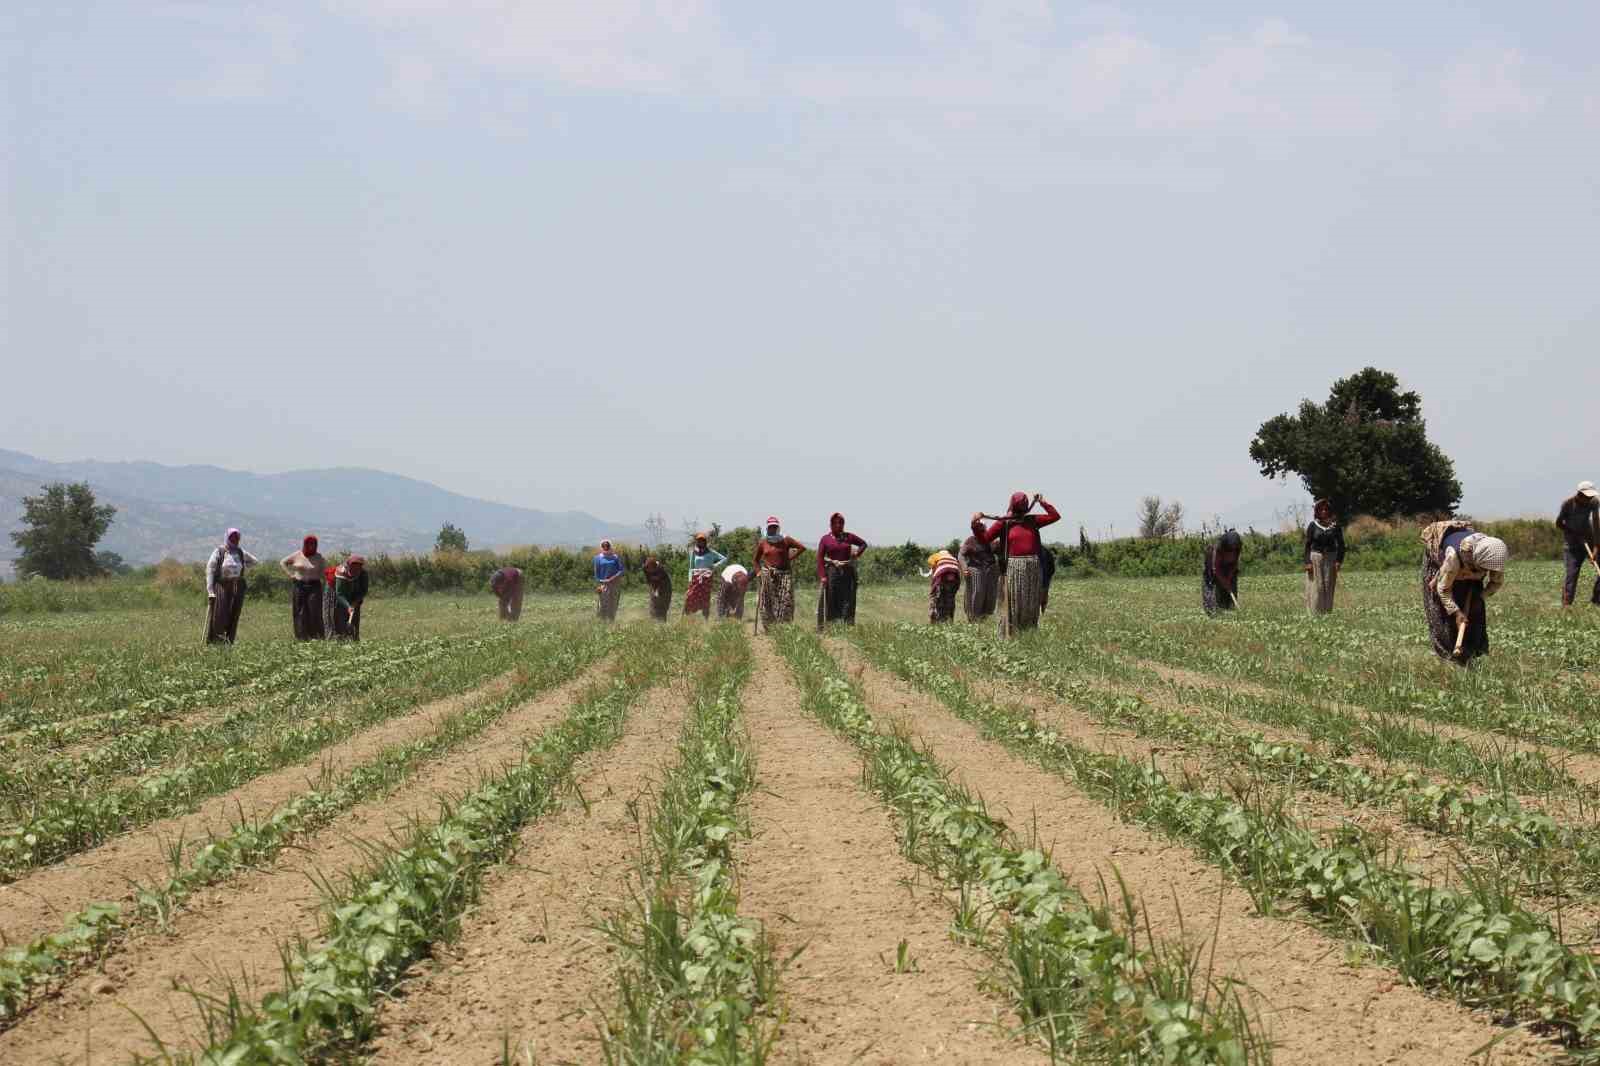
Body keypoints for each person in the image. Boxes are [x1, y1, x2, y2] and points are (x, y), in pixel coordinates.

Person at [970, 492, 1060, 638]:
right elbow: (985, 539)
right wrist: (975, 524)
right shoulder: (1004, 522)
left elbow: (1055, 516)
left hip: (1033, 568)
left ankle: (1028, 633)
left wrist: (1042, 501)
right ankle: (1009, 634)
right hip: (1013, 568)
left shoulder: (1032, 520)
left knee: (1030, 603)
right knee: (1013, 603)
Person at [1421, 520, 1508, 664]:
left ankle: (1473, 652)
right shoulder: (1453, 558)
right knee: (1442, 611)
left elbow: (1496, 582)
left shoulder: (1492, 555)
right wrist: (1456, 612)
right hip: (1443, 564)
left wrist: (1479, 598)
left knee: (1476, 612)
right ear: (1475, 560)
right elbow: (1443, 589)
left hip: (1469, 565)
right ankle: (1447, 655)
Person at [204, 528, 259, 645]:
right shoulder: (219, 551)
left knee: (234, 615)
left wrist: (244, 565)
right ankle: (215, 642)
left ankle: (228, 642)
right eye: (232, 537)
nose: (234, 539)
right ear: (227, 537)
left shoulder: (240, 552)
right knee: (219, 615)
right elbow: (210, 570)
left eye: (236, 537)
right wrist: (210, 591)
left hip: (237, 587)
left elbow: (255, 561)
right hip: (222, 587)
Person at [752, 516, 807, 627]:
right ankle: (769, 627)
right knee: (766, 601)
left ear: (778, 528)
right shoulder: (763, 542)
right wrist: (758, 573)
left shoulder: (785, 540)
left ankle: (784, 626)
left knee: (785, 600)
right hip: (768, 575)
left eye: (775, 527)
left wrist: (790, 558)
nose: (772, 529)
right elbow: (755, 560)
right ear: (767, 528)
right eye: (770, 527)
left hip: (784, 574)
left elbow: (801, 548)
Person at [817, 513, 868, 626]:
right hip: (832, 572)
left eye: (841, 523)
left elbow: (863, 544)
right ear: (831, 524)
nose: (838, 525)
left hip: (847, 572)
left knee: (847, 599)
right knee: (831, 598)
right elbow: (820, 558)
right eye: (835, 523)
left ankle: (847, 625)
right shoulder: (825, 539)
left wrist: (856, 553)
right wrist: (823, 576)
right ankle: (831, 624)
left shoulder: (848, 537)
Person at [1556, 481, 1600, 607]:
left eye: (1591, 496)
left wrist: (1596, 547)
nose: (1590, 498)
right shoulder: (1568, 504)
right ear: (1579, 494)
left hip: (1589, 539)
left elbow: (1596, 524)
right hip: (1572, 544)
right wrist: (1573, 532)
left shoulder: (1594, 502)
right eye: (1587, 496)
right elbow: (1559, 523)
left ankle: (1597, 600)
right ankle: (1566, 605)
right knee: (1572, 574)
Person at [281, 535, 328, 640]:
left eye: (313, 544)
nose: (311, 546)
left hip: (314, 586)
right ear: (305, 544)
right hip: (299, 585)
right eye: (309, 543)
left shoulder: (319, 557)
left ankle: (317, 636)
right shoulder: (297, 555)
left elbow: (324, 572)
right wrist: (290, 575)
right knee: (300, 611)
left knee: (314, 611)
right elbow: (283, 562)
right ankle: (301, 637)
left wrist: (326, 583)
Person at [1304, 499, 1346, 615]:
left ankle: (1327, 612)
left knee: (1328, 585)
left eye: (1326, 509)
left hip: (1330, 558)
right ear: (1317, 511)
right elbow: (1307, 545)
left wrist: (1338, 561)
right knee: (1316, 586)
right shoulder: (1313, 526)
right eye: (1321, 509)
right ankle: (1315, 612)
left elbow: (1341, 545)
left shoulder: (1335, 526)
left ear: (1330, 511)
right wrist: (1307, 562)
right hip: (1315, 558)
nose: (1324, 511)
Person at [684, 532, 726, 618]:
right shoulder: (694, 552)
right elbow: (691, 568)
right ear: (697, 542)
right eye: (699, 541)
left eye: (702, 541)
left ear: (705, 542)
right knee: (691, 595)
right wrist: (689, 580)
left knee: (705, 597)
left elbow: (723, 558)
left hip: (707, 577)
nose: (701, 542)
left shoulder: (711, 552)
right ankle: (688, 613)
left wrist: (714, 565)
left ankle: (705, 616)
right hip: (696, 577)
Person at [1202, 530, 1243, 616]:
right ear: (1225, 546)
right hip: (1213, 570)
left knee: (1229, 588)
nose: (1233, 549)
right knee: (1211, 586)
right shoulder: (1215, 551)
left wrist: (1228, 579)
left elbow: (1234, 565)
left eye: (1235, 548)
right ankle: (1211, 610)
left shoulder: (1237, 550)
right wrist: (1224, 581)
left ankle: (1228, 607)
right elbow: (1216, 569)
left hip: (1228, 569)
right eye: (1231, 548)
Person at [960, 533, 998, 621]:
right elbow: (961, 555)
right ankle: (973, 618)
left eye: (983, 529)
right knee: (977, 593)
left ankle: (984, 618)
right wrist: (964, 568)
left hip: (990, 571)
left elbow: (1000, 552)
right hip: (975, 570)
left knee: (990, 595)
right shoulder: (971, 540)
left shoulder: (990, 540)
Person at [333, 555, 368, 640]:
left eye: (358, 569)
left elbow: (363, 591)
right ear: (348, 566)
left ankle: (354, 639)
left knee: (354, 620)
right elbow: (339, 593)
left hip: (354, 597)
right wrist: (348, 606)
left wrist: (355, 602)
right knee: (340, 619)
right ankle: (340, 639)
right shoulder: (341, 572)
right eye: (353, 568)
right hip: (341, 598)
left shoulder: (363, 574)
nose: (355, 571)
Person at [925, 550, 962, 623]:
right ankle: (949, 620)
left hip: (941, 578)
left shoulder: (936, 556)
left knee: (936, 599)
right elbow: (958, 572)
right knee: (950, 600)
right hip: (954, 580)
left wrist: (933, 588)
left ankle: (935, 620)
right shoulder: (953, 558)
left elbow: (933, 568)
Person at [593, 540, 625, 622]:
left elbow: (621, 570)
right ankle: (602, 621)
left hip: (615, 583)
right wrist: (600, 582)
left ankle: (611, 621)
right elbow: (596, 574)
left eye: (607, 546)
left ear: (610, 546)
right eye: (604, 546)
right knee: (602, 603)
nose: (606, 547)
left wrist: (612, 578)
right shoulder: (597, 558)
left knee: (613, 603)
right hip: (603, 584)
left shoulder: (615, 557)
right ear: (602, 547)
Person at [642, 556, 673, 621]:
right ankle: (653, 619)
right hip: (654, 584)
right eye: (648, 569)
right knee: (653, 602)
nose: (649, 571)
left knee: (663, 604)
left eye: (651, 569)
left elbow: (661, 581)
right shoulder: (645, 568)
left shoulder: (660, 569)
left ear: (654, 567)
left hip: (665, 585)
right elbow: (649, 580)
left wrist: (657, 591)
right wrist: (653, 591)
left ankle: (662, 621)